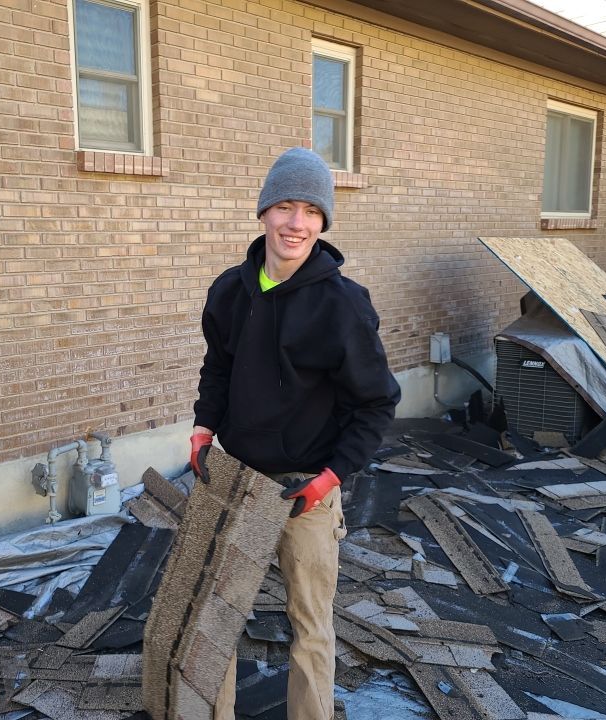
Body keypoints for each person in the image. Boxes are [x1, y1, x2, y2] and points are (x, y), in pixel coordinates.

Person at [189, 147, 401, 720]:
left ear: (323, 221)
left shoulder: (343, 305)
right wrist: (203, 428)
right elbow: (219, 368)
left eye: (311, 210)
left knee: (310, 627)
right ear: (263, 212)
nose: (297, 223)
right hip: (237, 483)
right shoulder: (229, 292)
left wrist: (330, 477)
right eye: (286, 206)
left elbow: (378, 403)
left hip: (308, 488)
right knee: (215, 623)